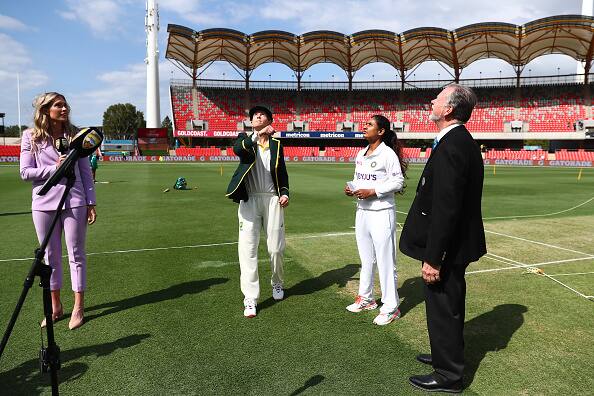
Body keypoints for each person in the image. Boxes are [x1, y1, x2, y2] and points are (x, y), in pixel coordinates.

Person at [399, 84, 486, 393]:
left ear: (448, 109)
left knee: (443, 306)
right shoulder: (457, 141)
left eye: (436, 99)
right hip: (455, 242)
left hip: (447, 247)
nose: (431, 102)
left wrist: (434, 258)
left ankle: (448, 375)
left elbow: (446, 207)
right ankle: (444, 355)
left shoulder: (452, 145)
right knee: (447, 304)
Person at [20, 92, 97, 330]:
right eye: (58, 105)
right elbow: (25, 173)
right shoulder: (30, 137)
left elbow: (85, 172)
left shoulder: (76, 135)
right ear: (45, 110)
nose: (64, 109)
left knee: (77, 254)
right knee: (50, 257)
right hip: (43, 204)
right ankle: (56, 307)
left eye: (65, 105)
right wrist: (53, 169)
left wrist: (91, 202)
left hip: (74, 200)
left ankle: (78, 307)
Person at [226, 105, 289, 318]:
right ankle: (250, 298)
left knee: (276, 248)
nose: (257, 116)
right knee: (248, 250)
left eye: (261, 115)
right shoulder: (244, 140)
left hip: (272, 200)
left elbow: (282, 171)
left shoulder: (277, 145)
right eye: (254, 115)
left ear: (270, 120)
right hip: (249, 200)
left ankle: (277, 283)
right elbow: (238, 149)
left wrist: (285, 193)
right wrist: (258, 135)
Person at [344, 115, 407, 325]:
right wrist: (352, 187)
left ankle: (391, 307)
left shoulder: (387, 154)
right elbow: (359, 178)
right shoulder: (361, 153)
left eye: (370, 125)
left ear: (381, 131)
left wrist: (374, 191)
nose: (365, 126)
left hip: (382, 212)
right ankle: (367, 298)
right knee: (366, 259)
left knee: (386, 261)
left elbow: (398, 181)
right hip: (362, 211)